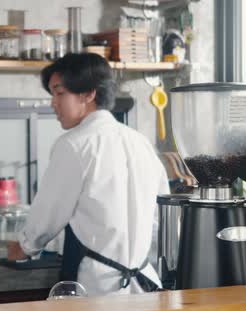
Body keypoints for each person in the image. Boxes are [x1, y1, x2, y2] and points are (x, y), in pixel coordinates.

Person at [10, 53, 169, 296]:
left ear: (88, 94)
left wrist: (24, 247)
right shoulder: (141, 142)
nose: (53, 103)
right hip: (145, 285)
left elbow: (49, 212)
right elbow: (160, 216)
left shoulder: (74, 144)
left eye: (59, 93)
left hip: (96, 288)